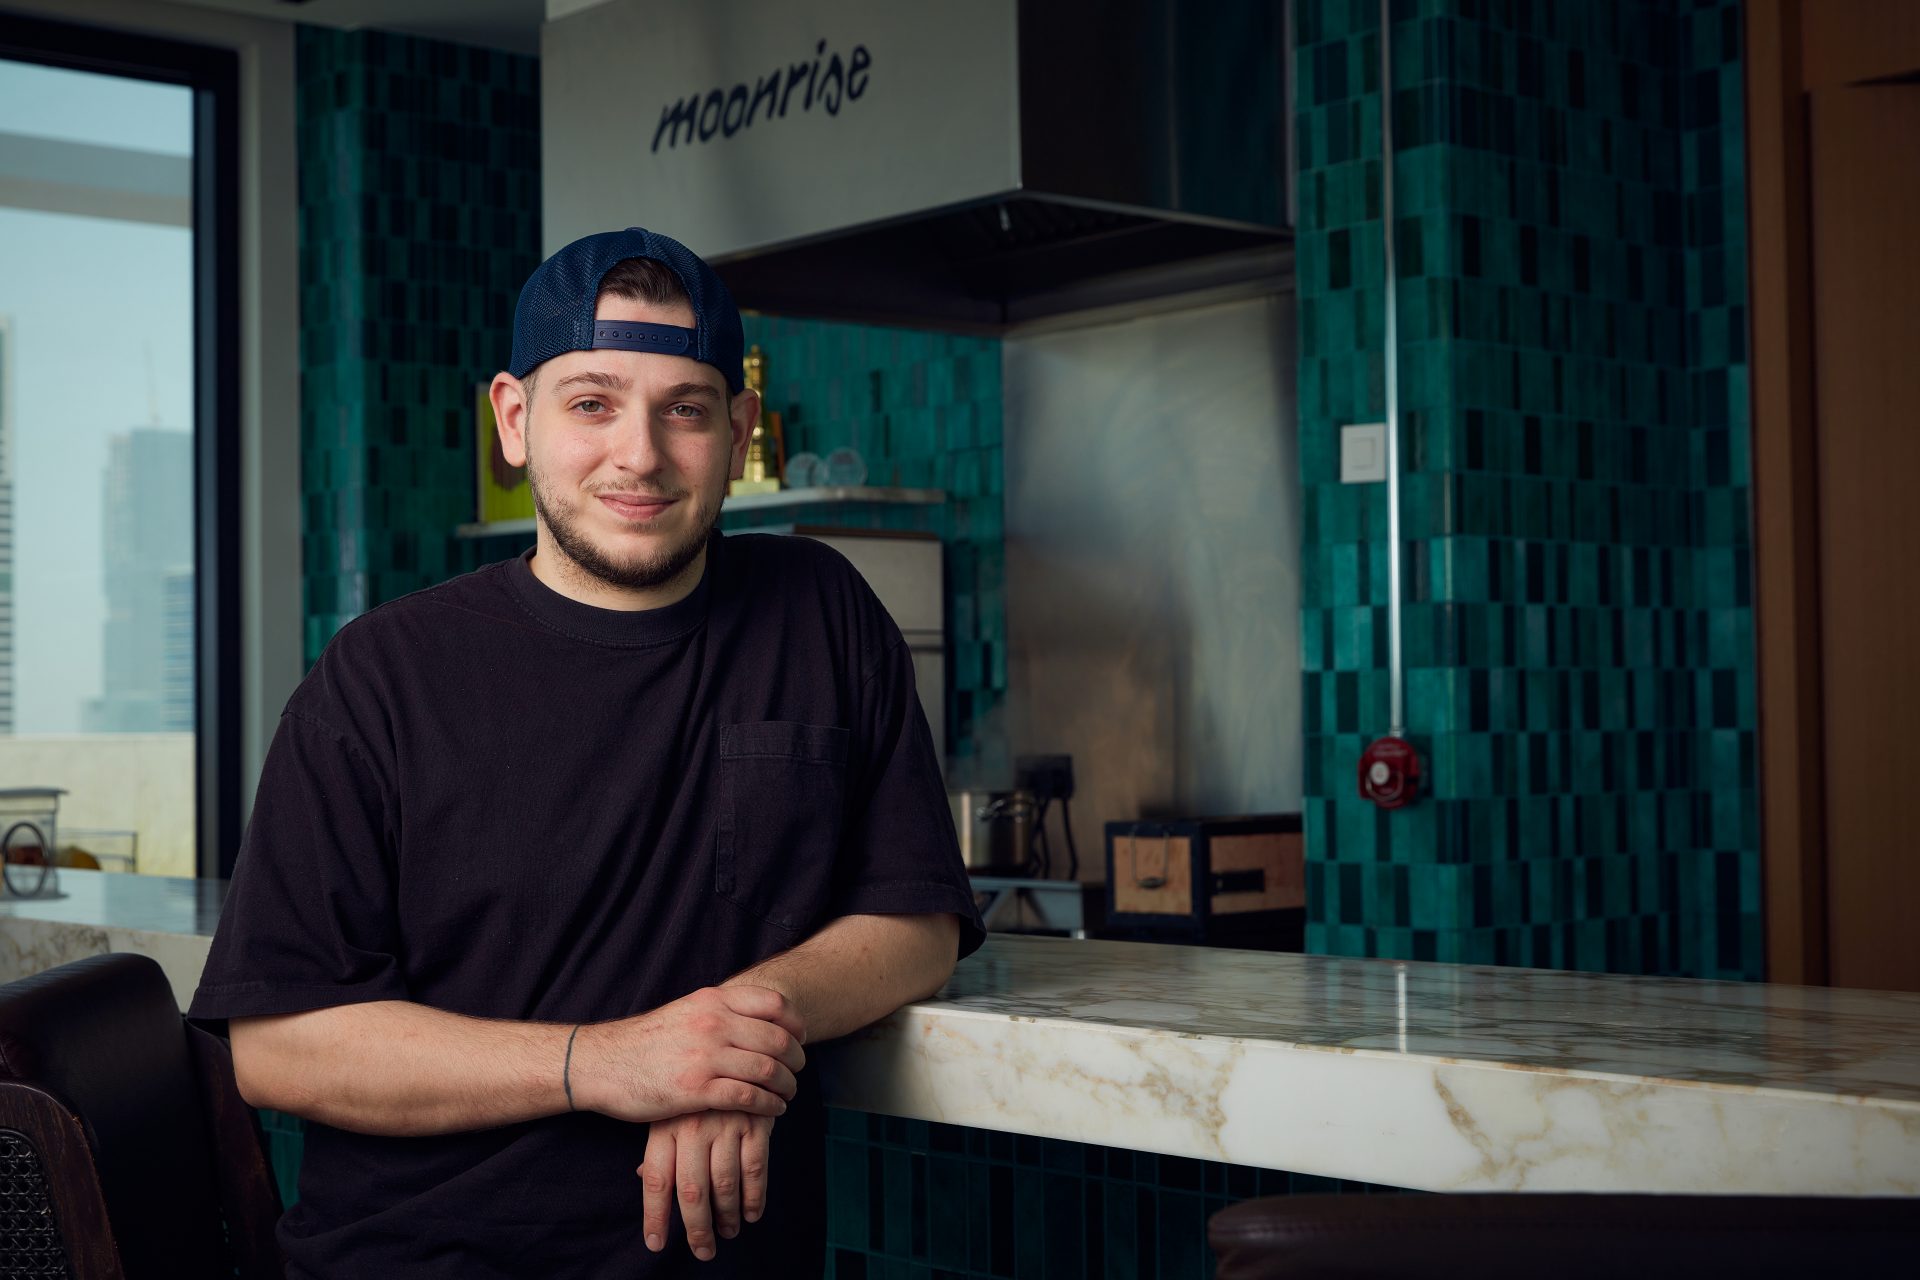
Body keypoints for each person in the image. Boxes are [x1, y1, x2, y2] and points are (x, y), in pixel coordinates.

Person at [189, 226, 985, 1278]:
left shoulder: (819, 614)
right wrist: (607, 1062)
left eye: (684, 409)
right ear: (516, 421)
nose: (640, 454)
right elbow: (278, 1043)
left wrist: (728, 1039)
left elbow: (920, 922)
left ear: (739, 429)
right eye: (593, 403)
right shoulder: (382, 677)